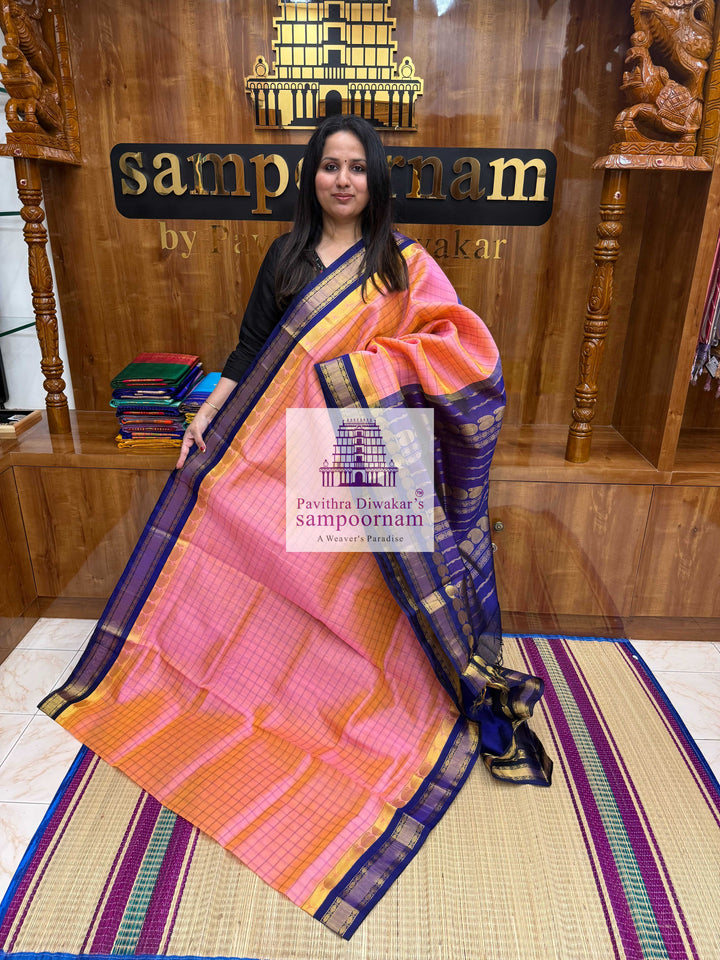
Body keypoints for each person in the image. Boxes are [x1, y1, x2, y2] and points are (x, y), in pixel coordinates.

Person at [41, 115, 551, 940]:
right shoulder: (284, 259)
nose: (342, 180)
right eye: (328, 167)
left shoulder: (403, 265)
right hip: (284, 447)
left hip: (365, 450)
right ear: (311, 177)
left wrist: (370, 369)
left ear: (376, 181)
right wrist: (209, 409)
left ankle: (391, 691)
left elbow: (464, 349)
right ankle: (273, 689)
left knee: (363, 590)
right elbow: (249, 354)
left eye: (356, 168)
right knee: (274, 570)